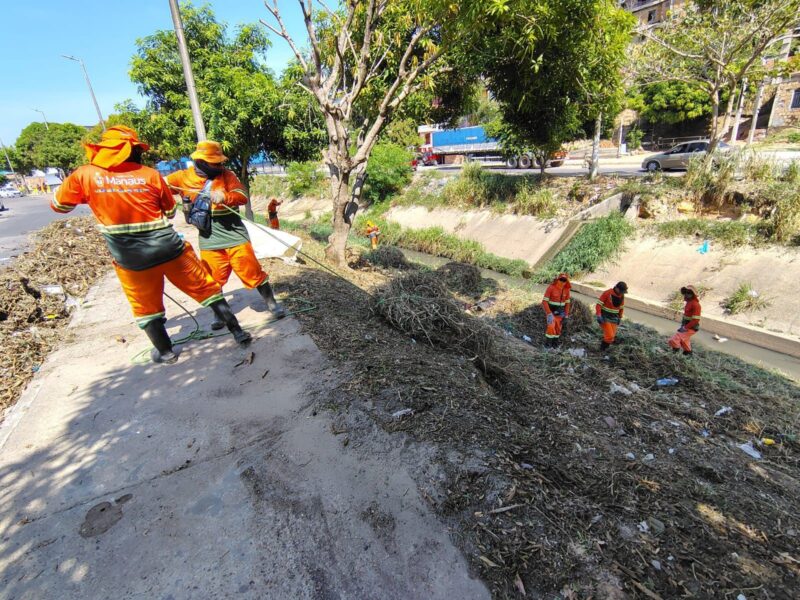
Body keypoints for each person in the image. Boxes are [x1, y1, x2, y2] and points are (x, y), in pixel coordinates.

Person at [51, 126, 251, 364]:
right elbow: (169, 210)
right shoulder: (150, 175)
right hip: (169, 248)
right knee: (207, 288)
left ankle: (166, 353)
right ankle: (238, 333)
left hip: (132, 259)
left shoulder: (84, 175)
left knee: (146, 307)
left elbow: (59, 206)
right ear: (133, 151)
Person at [166, 141, 285, 330]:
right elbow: (159, 187)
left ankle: (272, 304)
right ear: (201, 161)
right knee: (213, 278)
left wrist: (225, 197)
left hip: (234, 235)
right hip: (209, 238)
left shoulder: (227, 175)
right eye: (215, 163)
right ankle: (219, 313)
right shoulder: (181, 178)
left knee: (252, 271)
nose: (219, 166)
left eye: (220, 162)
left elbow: (241, 195)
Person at [668, 285, 701, 356]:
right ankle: (688, 354)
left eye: (689, 293)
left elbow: (695, 320)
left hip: (691, 328)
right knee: (684, 341)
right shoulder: (689, 303)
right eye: (686, 292)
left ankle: (674, 354)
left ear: (693, 295)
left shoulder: (696, 305)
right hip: (686, 326)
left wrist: (685, 328)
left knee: (675, 339)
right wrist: (683, 326)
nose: (687, 294)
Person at [542, 272, 571, 348]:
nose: (562, 281)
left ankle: (554, 345)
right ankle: (547, 346)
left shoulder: (567, 290)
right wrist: (549, 313)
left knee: (558, 329)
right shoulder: (551, 288)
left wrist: (566, 315)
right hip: (551, 312)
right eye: (561, 279)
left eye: (564, 280)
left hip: (561, 313)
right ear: (558, 279)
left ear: (566, 281)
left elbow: (567, 304)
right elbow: (544, 302)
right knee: (551, 328)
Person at [596, 281, 627, 351]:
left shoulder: (621, 296)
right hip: (605, 317)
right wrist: (598, 315)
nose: (622, 293)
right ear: (617, 288)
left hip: (614, 318)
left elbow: (621, 307)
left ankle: (604, 349)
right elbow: (598, 305)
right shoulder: (607, 293)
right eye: (621, 291)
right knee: (610, 336)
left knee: (611, 338)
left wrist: (620, 317)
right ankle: (602, 349)